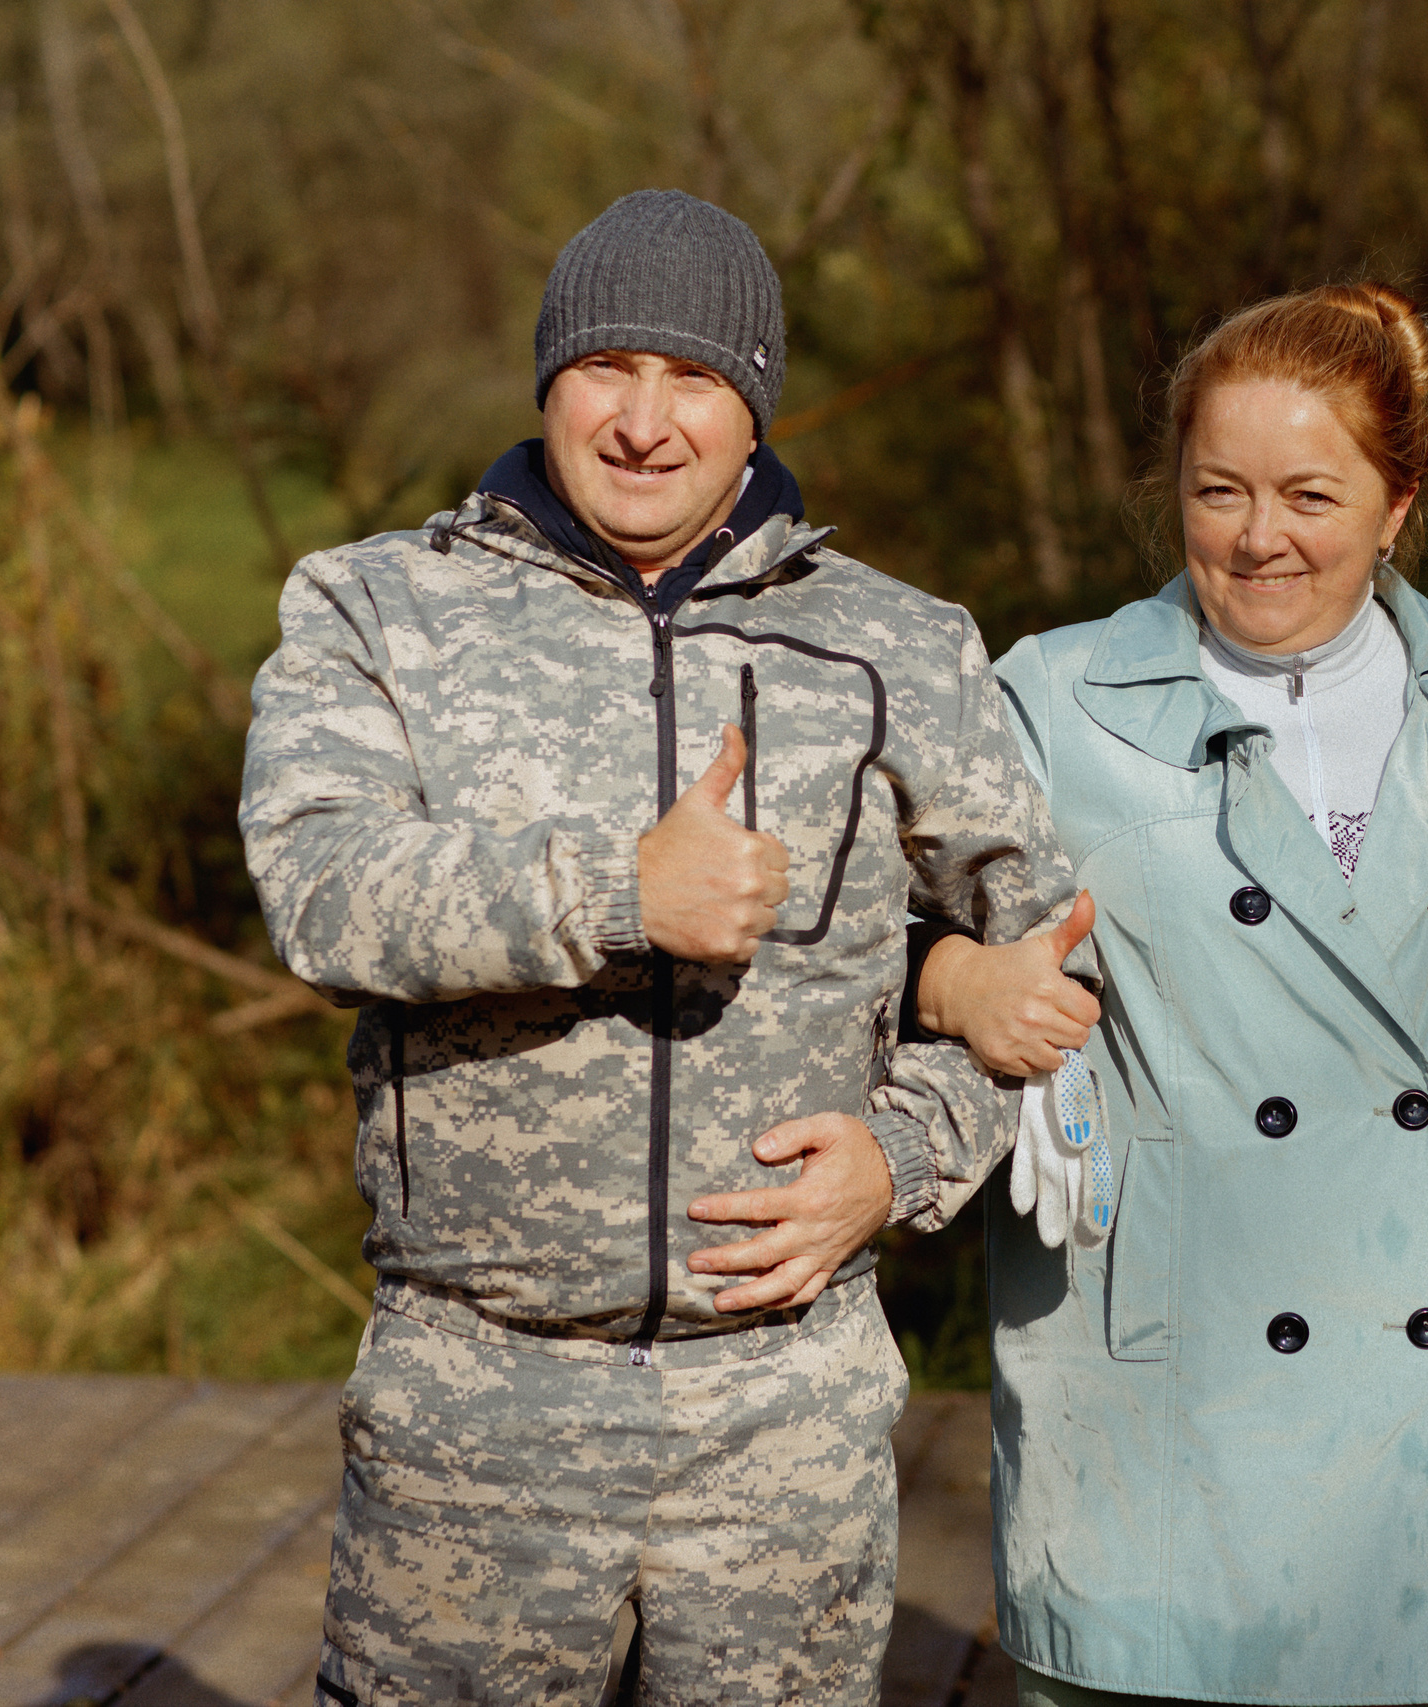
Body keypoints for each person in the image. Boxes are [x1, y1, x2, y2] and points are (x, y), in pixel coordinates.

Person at [239, 189, 1087, 1703]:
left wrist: (910, 1156)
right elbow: (320, 887)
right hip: (470, 1414)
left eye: (694, 376)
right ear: (547, 382)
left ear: (754, 411)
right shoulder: (381, 608)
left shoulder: (898, 645)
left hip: (784, 1422)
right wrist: (619, 890)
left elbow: (1052, 971)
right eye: (606, 369)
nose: (645, 420)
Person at [910, 283, 1428, 1707]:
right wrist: (953, 975)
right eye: (1219, 491)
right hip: (1167, 1405)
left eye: (1310, 494)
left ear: (1401, 502)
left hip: (1425, 1414)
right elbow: (863, 938)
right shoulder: (1050, 701)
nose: (1260, 537)